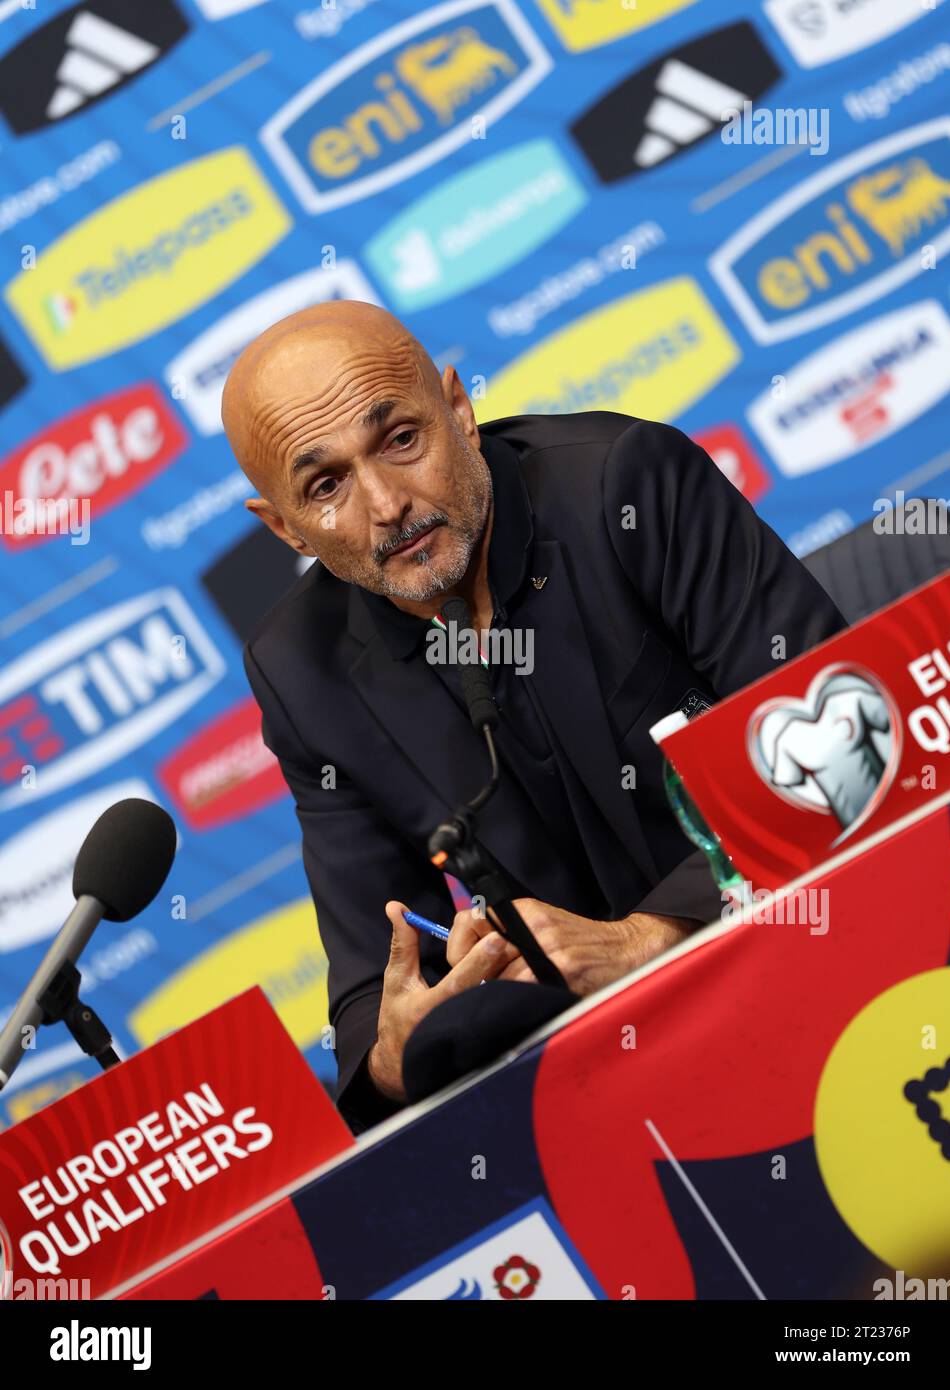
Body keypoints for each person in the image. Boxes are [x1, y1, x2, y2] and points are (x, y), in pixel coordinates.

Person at [221, 300, 845, 1132]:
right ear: (284, 527)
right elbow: (375, 985)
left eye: (402, 440)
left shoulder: (625, 484)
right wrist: (392, 1052)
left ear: (459, 410)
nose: (385, 504)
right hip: (620, 1094)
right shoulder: (303, 671)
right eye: (325, 485)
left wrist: (652, 935)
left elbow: (842, 748)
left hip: (819, 950)